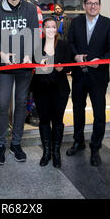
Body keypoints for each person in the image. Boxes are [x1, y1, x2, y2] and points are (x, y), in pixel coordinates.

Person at [0, 0, 39, 164]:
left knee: (20, 103)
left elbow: (35, 33)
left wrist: (28, 55)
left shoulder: (31, 9)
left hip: (24, 65)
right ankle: (1, 144)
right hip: (4, 66)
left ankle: (16, 144)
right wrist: (1, 53)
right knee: (2, 104)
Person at [66, 0, 110, 166]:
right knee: (78, 110)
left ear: (100, 6)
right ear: (84, 5)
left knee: (99, 113)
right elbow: (70, 43)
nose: (93, 6)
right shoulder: (76, 22)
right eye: (89, 3)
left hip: (99, 76)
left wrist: (101, 60)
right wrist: (75, 56)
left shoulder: (109, 24)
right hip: (80, 75)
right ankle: (78, 141)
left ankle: (96, 147)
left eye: (96, 3)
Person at [30, 17, 72, 168]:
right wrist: (37, 63)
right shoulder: (37, 45)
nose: (50, 30)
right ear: (43, 29)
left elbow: (70, 64)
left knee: (58, 121)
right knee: (44, 120)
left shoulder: (63, 44)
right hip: (41, 89)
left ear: (56, 29)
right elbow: (31, 63)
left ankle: (56, 152)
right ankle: (46, 152)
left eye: (53, 27)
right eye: (47, 27)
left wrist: (63, 68)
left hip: (59, 89)